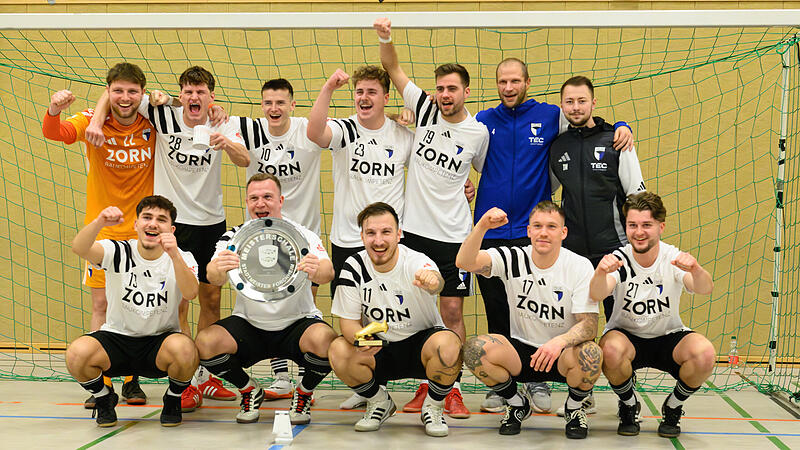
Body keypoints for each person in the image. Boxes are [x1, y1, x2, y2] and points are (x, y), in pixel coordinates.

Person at [473, 58, 633, 413]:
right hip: (494, 232)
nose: (509, 87)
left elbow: (586, 123)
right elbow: (453, 140)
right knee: (500, 310)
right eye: (503, 81)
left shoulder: (550, 115)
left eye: (516, 80)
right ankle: (505, 387)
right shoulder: (482, 121)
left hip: (533, 234)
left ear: (528, 82)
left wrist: (620, 125)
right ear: (496, 84)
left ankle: (542, 380)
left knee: (541, 309)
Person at [89, 65, 248, 409]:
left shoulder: (224, 122)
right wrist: (92, 122)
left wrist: (227, 144)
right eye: (187, 92)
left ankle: (206, 376)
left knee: (211, 299)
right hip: (174, 226)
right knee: (179, 303)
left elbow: (246, 158)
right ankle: (185, 379)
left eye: (201, 92)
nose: (194, 98)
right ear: (181, 95)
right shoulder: (163, 114)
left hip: (211, 223)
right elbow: (112, 92)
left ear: (211, 97)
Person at [374, 17, 489, 418]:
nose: (443, 94)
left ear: (465, 92)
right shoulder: (421, 108)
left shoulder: (478, 133)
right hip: (414, 234)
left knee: (453, 313)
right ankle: (425, 384)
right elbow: (393, 68)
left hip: (455, 237)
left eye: (451, 88)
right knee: (419, 311)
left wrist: (470, 190)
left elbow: (480, 173)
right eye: (439, 88)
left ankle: (451, 388)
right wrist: (386, 37)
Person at [42, 62, 155, 407]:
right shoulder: (94, 120)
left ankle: (133, 381)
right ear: (108, 92)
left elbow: (178, 107)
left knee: (140, 305)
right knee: (102, 305)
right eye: (117, 91)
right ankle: (103, 379)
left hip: (142, 233)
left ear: (142, 94)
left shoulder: (152, 120)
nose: (125, 97)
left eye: (132, 91)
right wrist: (54, 110)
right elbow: (54, 133)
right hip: (102, 234)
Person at [196, 173, 337, 425]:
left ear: (281, 200)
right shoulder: (234, 238)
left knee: (328, 343)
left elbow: (328, 273)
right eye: (254, 198)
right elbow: (212, 276)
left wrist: (318, 269)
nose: (260, 204)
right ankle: (249, 390)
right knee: (205, 343)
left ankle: (303, 393)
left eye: (267, 197)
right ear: (247, 202)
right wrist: (218, 268)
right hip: (250, 325)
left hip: (297, 322)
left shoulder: (302, 235)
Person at [456, 202, 603, 438]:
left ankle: (574, 410)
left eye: (551, 226)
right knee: (474, 350)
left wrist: (559, 342)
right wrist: (482, 226)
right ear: (529, 231)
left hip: (561, 354)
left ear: (563, 232)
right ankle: (516, 404)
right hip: (521, 351)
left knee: (592, 354)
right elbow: (464, 262)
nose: (543, 232)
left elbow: (589, 325)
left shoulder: (579, 266)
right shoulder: (513, 257)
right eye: (537, 226)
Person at [549, 75, 646, 417]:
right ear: (564, 106)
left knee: (621, 325)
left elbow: (637, 195)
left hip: (614, 251)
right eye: (569, 102)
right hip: (574, 256)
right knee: (580, 324)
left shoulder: (617, 141)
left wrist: (637, 247)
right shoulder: (557, 146)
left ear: (593, 103)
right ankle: (582, 394)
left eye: (581, 101)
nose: (576, 107)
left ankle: (627, 399)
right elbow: (544, 193)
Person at [328, 202, 463, 437]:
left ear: (399, 234)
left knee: (450, 344)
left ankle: (432, 406)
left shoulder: (415, 261)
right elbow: (348, 323)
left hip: (421, 347)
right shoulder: (353, 266)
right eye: (371, 233)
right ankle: (379, 402)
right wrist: (361, 340)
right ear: (361, 235)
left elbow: (436, 281)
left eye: (386, 232)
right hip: (380, 347)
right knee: (338, 348)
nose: (378, 241)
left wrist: (433, 282)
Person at [589, 191, 715, 438]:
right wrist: (600, 273)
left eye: (647, 225)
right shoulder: (619, 258)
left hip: (668, 336)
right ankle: (628, 404)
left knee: (705, 354)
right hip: (628, 337)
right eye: (632, 225)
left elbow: (705, 288)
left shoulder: (672, 258)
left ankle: (673, 406)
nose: (639, 232)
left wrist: (696, 268)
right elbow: (597, 293)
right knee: (610, 350)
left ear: (660, 227)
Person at [66, 196, 199, 427]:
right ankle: (104, 399)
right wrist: (99, 222)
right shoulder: (117, 250)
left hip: (159, 344)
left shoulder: (182, 257)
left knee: (187, 350)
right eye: (147, 217)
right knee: (76, 353)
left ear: (171, 229)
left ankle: (173, 400)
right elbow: (79, 247)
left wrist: (174, 254)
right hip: (117, 340)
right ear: (136, 224)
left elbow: (190, 293)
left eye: (161, 220)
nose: (153, 224)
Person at [236, 78, 326, 402]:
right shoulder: (249, 130)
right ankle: (280, 377)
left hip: (304, 235)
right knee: (269, 301)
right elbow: (206, 119)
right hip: (262, 237)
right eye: (268, 103)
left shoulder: (308, 130)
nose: (274, 108)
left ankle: (304, 379)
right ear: (262, 105)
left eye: (280, 102)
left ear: (292, 105)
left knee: (304, 310)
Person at [307, 65, 414, 300]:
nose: (364, 98)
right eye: (359, 92)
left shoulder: (402, 135)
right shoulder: (344, 129)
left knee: (389, 311)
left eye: (372, 92)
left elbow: (427, 168)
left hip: (388, 240)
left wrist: (464, 183)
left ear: (386, 98)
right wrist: (328, 88)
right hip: (348, 239)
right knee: (351, 313)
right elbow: (314, 133)